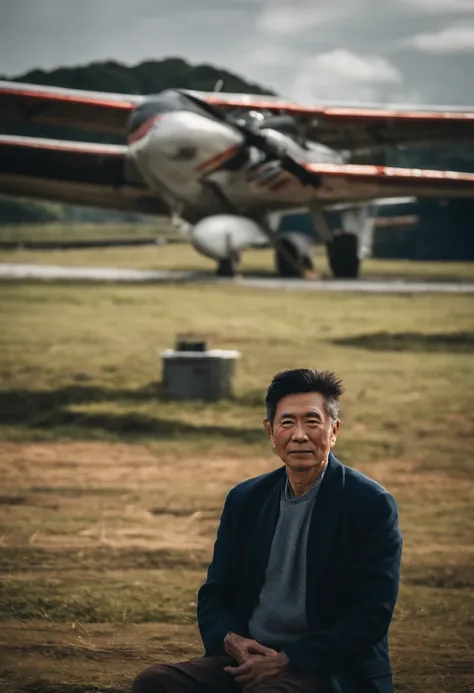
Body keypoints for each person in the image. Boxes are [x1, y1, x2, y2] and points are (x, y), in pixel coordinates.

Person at [132, 368, 403, 693]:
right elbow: (215, 593)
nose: (299, 435)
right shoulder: (246, 499)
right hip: (249, 659)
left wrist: (289, 660)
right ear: (270, 432)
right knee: (155, 683)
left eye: (312, 422)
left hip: (327, 668)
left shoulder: (369, 504)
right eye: (287, 422)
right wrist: (232, 640)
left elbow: (371, 615)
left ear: (334, 431)